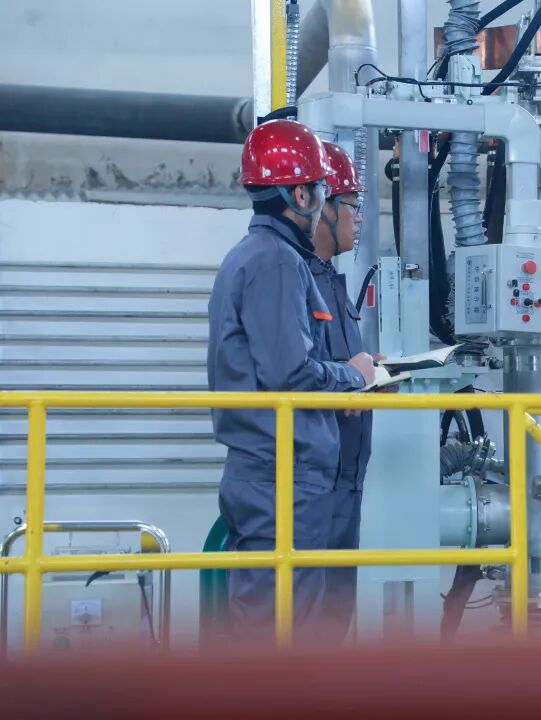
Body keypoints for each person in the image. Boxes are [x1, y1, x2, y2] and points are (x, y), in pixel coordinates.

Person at [207, 119, 375, 643]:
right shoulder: (277, 262)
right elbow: (291, 374)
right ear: (300, 195)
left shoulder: (263, 257)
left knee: (285, 629)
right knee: (282, 635)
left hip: (281, 474)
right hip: (282, 475)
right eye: (321, 190)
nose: (325, 202)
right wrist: (353, 377)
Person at [307, 140, 373, 640]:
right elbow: (292, 372)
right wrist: (353, 379)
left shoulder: (331, 280)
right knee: (304, 623)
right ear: (322, 205)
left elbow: (340, 364)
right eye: (352, 204)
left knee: (332, 621)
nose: (358, 217)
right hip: (314, 478)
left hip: (345, 478)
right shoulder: (292, 277)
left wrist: (373, 376)